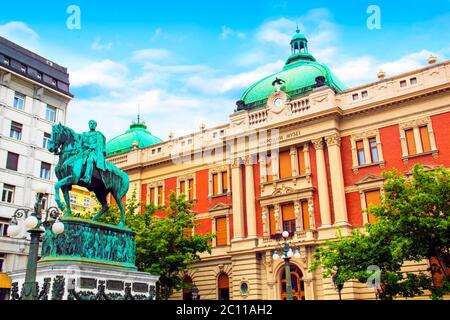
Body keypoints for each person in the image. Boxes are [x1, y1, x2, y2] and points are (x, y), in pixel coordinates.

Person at [80, 120, 107, 184]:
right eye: (90, 123)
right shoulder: (85, 134)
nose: (92, 125)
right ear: (88, 125)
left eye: (93, 123)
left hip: (94, 153)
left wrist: (90, 146)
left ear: (95, 125)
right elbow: (81, 144)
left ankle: (87, 177)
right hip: (85, 152)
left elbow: (99, 145)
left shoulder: (98, 134)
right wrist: (84, 147)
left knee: (90, 160)